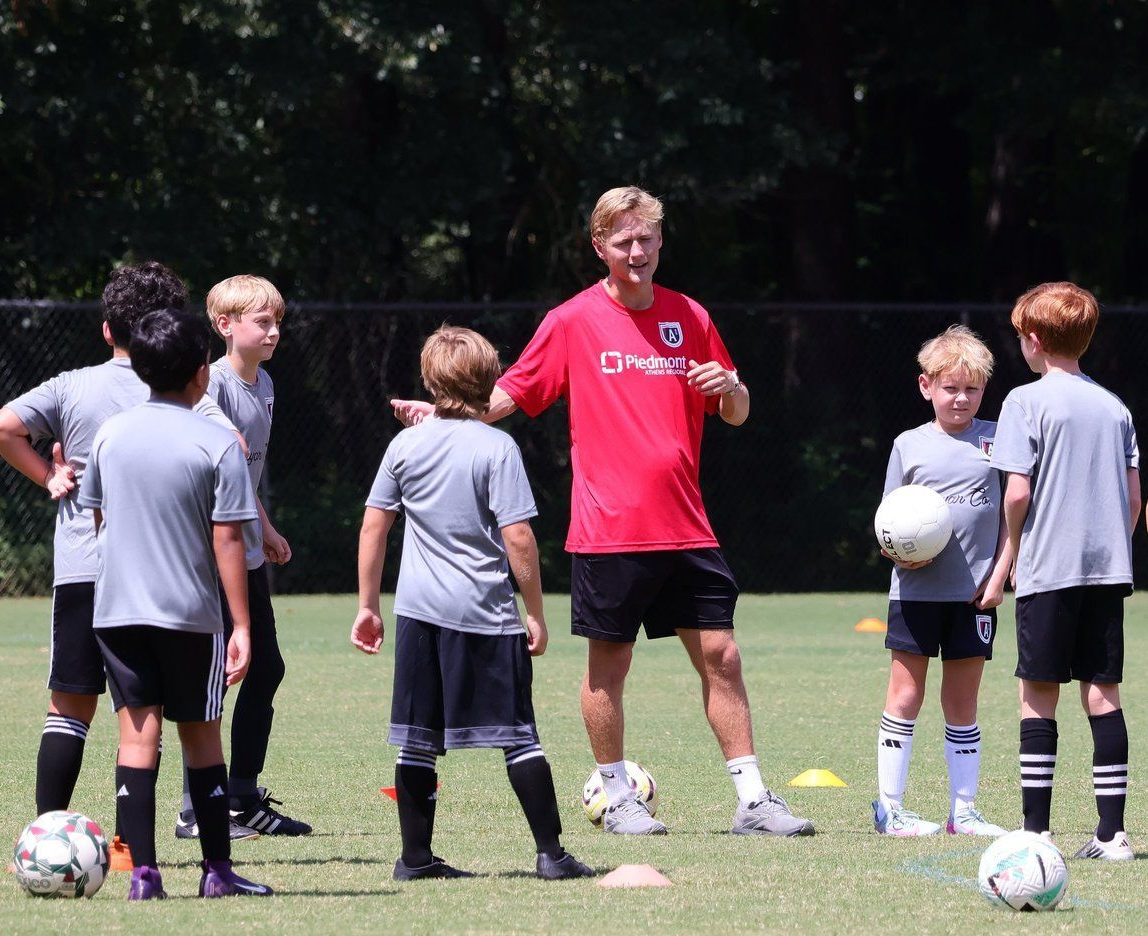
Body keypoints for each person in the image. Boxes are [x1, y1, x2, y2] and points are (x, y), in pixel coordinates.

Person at [393, 186, 812, 837]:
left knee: (722, 655)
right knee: (608, 668)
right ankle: (618, 795)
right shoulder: (573, 320)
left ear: (660, 241)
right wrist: (450, 414)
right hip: (609, 532)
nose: (637, 251)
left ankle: (753, 800)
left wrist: (732, 387)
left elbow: (736, 411)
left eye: (646, 238)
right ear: (600, 246)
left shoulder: (690, 316)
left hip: (687, 529)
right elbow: (514, 390)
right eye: (623, 241)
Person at [0, 261, 218, 869]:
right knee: (144, 715)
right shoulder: (184, 389)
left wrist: (49, 473)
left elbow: (0, 426)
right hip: (161, 577)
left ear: (107, 329)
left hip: (84, 568)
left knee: (68, 706)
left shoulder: (73, 386)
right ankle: (128, 851)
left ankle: (40, 840)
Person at [354, 326, 594, 881]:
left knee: (417, 741)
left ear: (429, 380)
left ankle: (415, 858)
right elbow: (519, 538)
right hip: (485, 615)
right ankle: (551, 854)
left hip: (417, 614)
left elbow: (373, 525)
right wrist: (534, 611)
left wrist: (368, 604)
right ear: (490, 380)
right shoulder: (496, 446)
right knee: (518, 735)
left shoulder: (404, 444)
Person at [82, 306, 272, 899]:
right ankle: (216, 874)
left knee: (137, 738)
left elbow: (98, 517)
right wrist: (241, 623)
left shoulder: (111, 433)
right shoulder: (217, 443)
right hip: (189, 614)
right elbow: (227, 539)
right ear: (201, 372)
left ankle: (143, 875)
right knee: (201, 738)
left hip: (116, 614)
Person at [991, 282, 1140, 860]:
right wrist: (1110, 548)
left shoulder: (1023, 403)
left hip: (1048, 568)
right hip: (1107, 572)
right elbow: (1132, 500)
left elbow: (1017, 493)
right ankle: (1113, 834)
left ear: (1032, 340)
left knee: (1039, 694)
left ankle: (1035, 831)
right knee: (1104, 694)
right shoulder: (1114, 406)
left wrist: (1010, 554)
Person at [175, 275, 310, 841]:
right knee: (216, 675)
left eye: (278, 320)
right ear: (226, 326)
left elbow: (247, 474)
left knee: (266, 667)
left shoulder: (267, 383)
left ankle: (242, 796)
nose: (274, 330)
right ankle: (194, 808)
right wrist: (252, 523)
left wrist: (267, 526)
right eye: (263, 321)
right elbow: (220, 458)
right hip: (215, 552)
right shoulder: (217, 385)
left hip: (249, 547)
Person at [872, 325, 1011, 838]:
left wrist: (1000, 575)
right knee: (905, 696)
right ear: (926, 386)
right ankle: (890, 808)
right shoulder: (909, 445)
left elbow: (1013, 518)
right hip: (915, 593)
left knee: (963, 703)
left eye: (971, 389)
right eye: (950, 387)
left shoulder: (999, 441)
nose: (961, 398)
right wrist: (893, 551)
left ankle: (964, 812)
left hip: (975, 596)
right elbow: (887, 518)